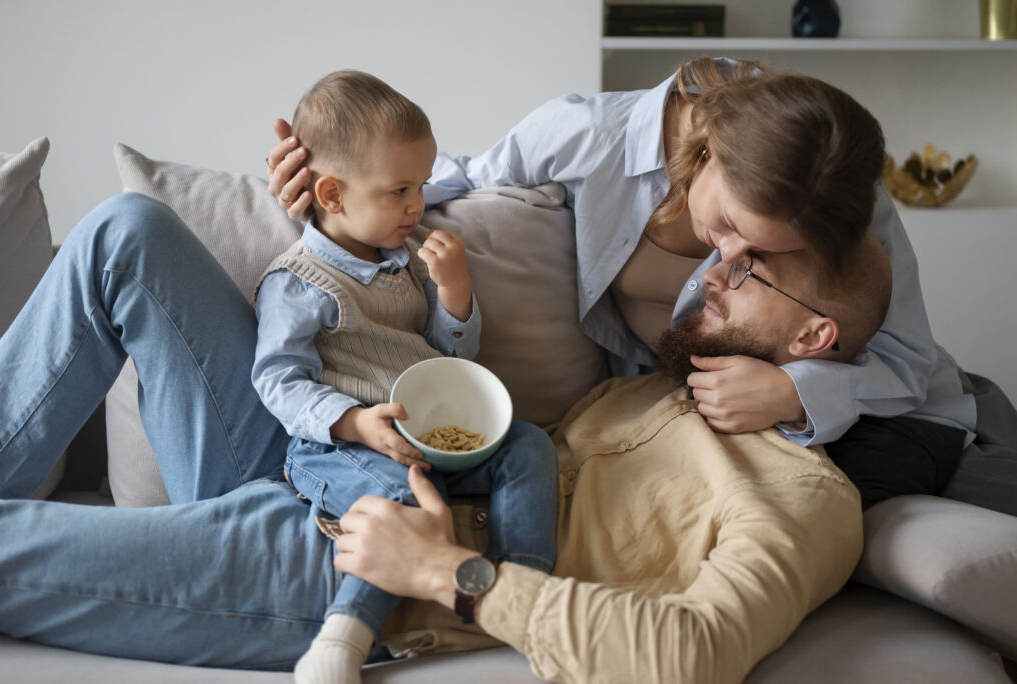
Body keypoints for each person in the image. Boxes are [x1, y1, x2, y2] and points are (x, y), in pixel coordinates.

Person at [0, 185, 889, 682]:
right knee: (126, 230)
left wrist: (445, 574)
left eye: (753, 269)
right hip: (322, 440)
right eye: (728, 251)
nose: (715, 267)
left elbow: (688, 655)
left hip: (353, 560)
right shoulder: (660, 389)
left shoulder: (806, 502)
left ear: (814, 337)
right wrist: (331, 190)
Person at [267, 57, 977, 510]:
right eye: (728, 222)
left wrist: (799, 390)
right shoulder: (587, 137)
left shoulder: (841, 193)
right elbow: (463, 175)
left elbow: (907, 360)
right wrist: (327, 198)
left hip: (883, 418)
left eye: (763, 253)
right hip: (692, 420)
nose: (725, 259)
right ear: (709, 149)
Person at [251, 71, 557, 684]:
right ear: (333, 195)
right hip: (338, 447)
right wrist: (355, 421)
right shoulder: (297, 281)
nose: (418, 204)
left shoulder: (409, 256)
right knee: (402, 499)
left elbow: (449, 360)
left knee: (530, 442)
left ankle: (519, 592)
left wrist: (455, 291)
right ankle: (346, 634)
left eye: (419, 184)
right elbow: (277, 379)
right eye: (399, 190)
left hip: (431, 431)